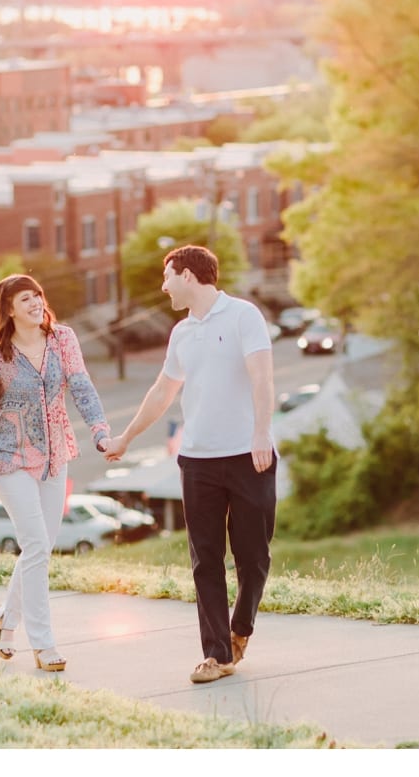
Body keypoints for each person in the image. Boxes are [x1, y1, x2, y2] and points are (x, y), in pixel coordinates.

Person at [104, 245, 277, 684]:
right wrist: (127, 437)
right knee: (206, 561)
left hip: (247, 455)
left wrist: (261, 433)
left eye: (167, 277)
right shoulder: (181, 333)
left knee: (254, 557)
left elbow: (262, 377)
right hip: (197, 460)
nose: (163, 287)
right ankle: (216, 654)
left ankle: (241, 628)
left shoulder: (243, 316)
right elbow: (163, 391)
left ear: (186, 275)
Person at [0, 273, 113, 672]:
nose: (35, 304)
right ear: (9, 309)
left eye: (37, 296)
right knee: (35, 546)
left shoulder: (63, 340)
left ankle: (5, 620)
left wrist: (100, 431)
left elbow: (81, 388)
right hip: (10, 459)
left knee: (40, 548)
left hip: (56, 456)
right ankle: (44, 644)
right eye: (25, 299)